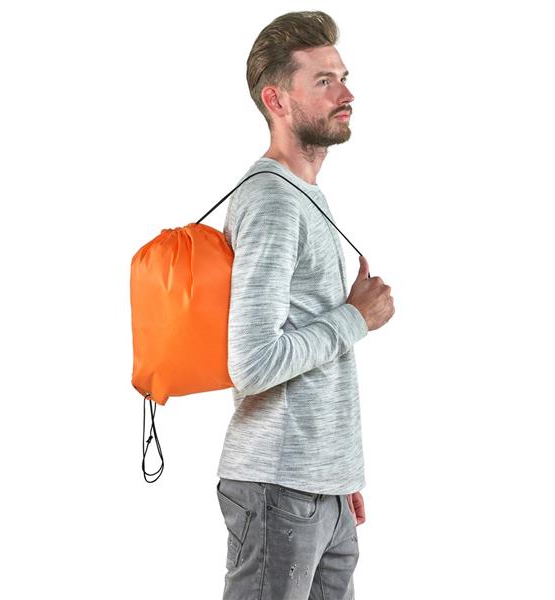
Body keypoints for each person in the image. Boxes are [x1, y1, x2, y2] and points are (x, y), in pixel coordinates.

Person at [215, 10, 395, 600]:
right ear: (277, 100)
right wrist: (356, 317)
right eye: (323, 81)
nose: (347, 95)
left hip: (318, 487)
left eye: (342, 78)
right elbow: (253, 362)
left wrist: (337, 475)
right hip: (279, 486)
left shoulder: (305, 194)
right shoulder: (273, 201)